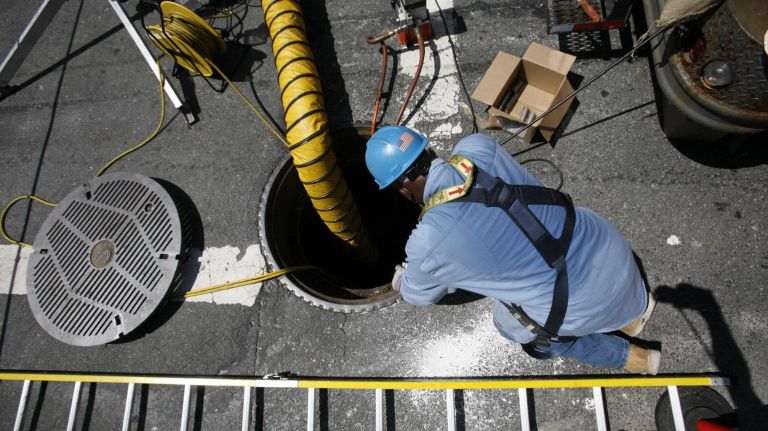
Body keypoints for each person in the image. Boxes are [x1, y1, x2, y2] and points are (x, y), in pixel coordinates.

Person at [365, 125, 660, 374]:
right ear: (427, 150)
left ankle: (631, 358)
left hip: (578, 303)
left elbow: (418, 294)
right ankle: (633, 315)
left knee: (510, 325)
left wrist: (403, 278)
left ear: (403, 191)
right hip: (610, 249)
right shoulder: (478, 146)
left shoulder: (427, 241)